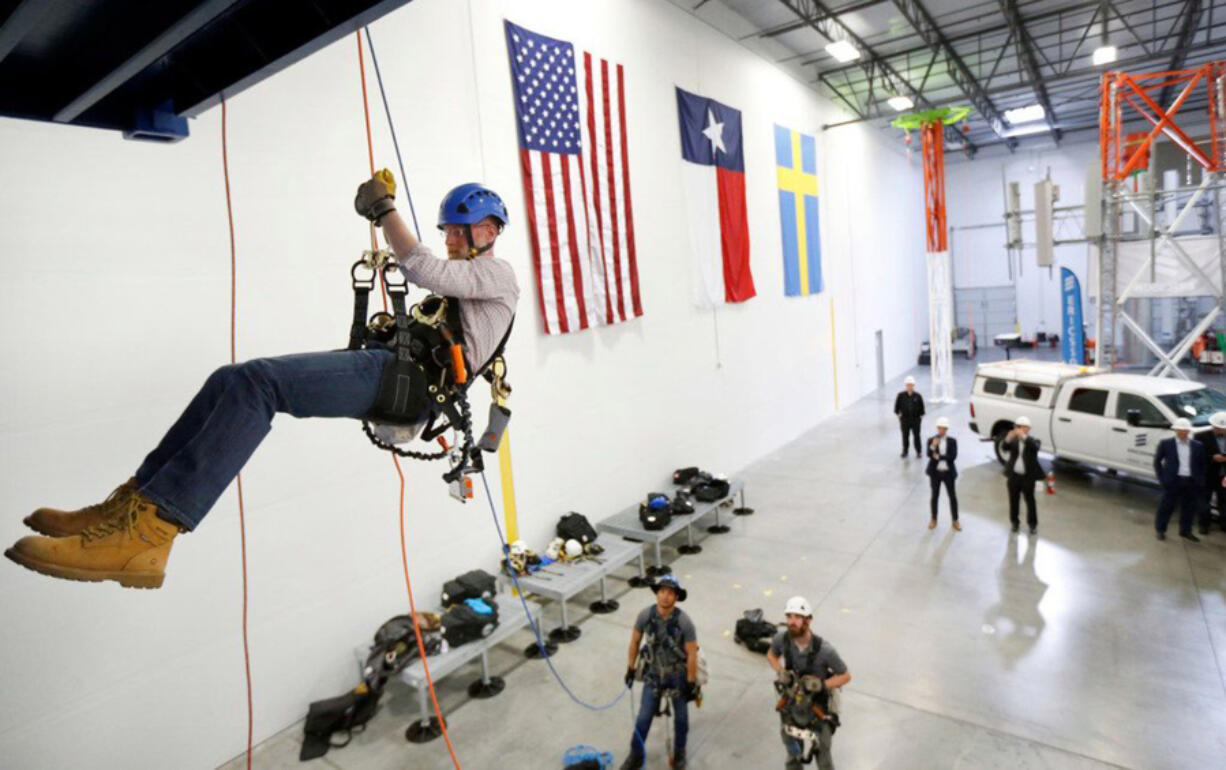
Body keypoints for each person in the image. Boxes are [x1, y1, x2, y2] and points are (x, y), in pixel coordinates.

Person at [5, 172, 519, 588]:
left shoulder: (498, 277)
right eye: (447, 230)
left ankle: (153, 531)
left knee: (259, 385)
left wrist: (385, 211)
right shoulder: (463, 286)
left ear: (490, 230)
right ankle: (131, 505)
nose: (451, 240)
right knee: (234, 378)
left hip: (406, 385)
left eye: (460, 230)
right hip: (393, 372)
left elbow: (424, 269)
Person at [621, 574, 699, 770]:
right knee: (643, 718)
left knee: (681, 719)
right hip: (654, 675)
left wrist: (690, 682)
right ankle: (635, 755)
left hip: (677, 676)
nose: (665, 596)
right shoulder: (645, 616)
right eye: (662, 591)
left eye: (670, 593)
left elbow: (691, 654)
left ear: (676, 597)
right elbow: (635, 642)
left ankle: (679, 753)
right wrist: (630, 668)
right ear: (657, 593)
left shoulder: (684, 622)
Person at [767, 596, 850, 770]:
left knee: (823, 757)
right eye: (789, 617)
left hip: (819, 709)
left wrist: (822, 684)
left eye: (798, 617)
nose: (792, 621)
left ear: (808, 620)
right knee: (793, 754)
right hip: (792, 705)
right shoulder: (782, 640)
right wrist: (780, 671)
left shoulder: (825, 651)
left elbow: (845, 676)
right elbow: (771, 654)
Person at [1153, 417, 1205, 542]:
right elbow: (1157, 462)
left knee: (1189, 508)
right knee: (1166, 507)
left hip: (1191, 481)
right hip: (1173, 481)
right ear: (1175, 430)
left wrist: (1200, 479)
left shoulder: (1197, 446)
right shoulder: (1166, 444)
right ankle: (1161, 530)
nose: (1182, 433)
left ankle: (1185, 531)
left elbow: (1202, 464)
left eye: (1185, 430)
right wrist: (1162, 478)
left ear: (1189, 431)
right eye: (1180, 430)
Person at [1002, 416, 1044, 535]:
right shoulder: (1014, 441)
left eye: (1023, 427)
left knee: (1030, 501)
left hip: (1027, 478)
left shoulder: (1034, 441)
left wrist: (1023, 437)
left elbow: (1035, 447)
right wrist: (1008, 438)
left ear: (1028, 429)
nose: (1020, 429)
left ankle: (1032, 524)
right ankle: (1014, 522)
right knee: (1013, 500)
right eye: (1018, 427)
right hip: (1014, 476)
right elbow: (1004, 448)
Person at [926, 416, 960, 531]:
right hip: (935, 473)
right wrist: (933, 446)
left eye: (944, 428)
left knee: (952, 497)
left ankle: (955, 520)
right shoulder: (931, 440)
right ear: (937, 428)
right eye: (940, 428)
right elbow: (929, 454)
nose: (942, 430)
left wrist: (939, 456)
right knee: (934, 496)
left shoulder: (952, 441)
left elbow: (952, 457)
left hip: (948, 473)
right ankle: (933, 519)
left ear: (947, 429)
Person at [1199, 411, 1226, 535]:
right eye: (1218, 428)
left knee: (1224, 501)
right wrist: (1212, 458)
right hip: (1207, 475)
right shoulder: (1201, 437)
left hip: (1223, 476)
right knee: (1205, 502)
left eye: (1222, 429)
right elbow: (1197, 456)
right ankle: (1204, 525)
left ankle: (1224, 524)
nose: (1220, 431)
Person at [894, 376, 925, 458]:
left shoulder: (918, 396)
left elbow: (922, 409)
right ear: (905, 385)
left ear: (913, 385)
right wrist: (899, 416)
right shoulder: (900, 396)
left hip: (915, 420)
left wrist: (919, 418)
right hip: (905, 420)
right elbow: (896, 408)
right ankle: (905, 451)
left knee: (917, 436)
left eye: (911, 385)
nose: (909, 387)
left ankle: (919, 451)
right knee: (905, 436)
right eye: (908, 385)